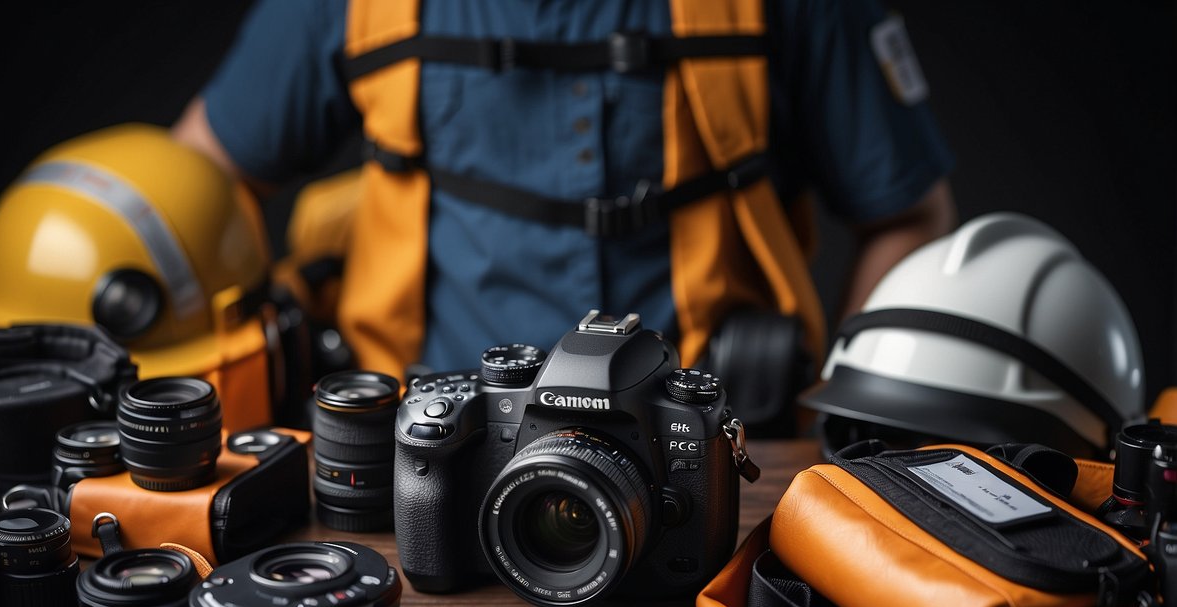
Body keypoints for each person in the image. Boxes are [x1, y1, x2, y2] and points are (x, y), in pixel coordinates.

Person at [173, 0, 955, 404]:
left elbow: (907, 219)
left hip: (716, 457)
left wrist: (837, 438)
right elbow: (186, 184)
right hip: (423, 453)